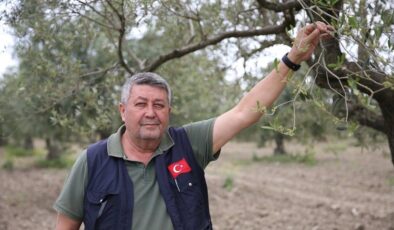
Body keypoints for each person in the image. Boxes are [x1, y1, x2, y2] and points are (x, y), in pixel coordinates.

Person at [54, 22, 332, 230]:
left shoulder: (188, 144)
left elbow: (245, 112)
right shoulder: (92, 160)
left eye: (159, 105)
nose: (151, 113)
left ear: (169, 112)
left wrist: (292, 59)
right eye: (141, 104)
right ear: (123, 111)